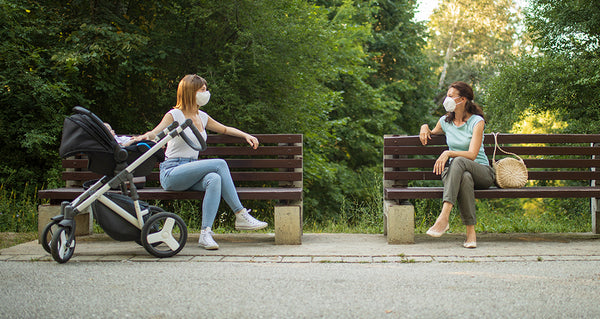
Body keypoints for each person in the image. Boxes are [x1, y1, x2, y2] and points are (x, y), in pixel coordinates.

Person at [131, 74, 267, 250]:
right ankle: (240, 213)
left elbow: (224, 129)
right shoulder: (175, 114)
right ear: (190, 92)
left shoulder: (202, 116)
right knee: (219, 164)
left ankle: (205, 234)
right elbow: (155, 133)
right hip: (172, 172)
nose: (206, 93)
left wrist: (245, 135)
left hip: (191, 172)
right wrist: (142, 137)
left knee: (214, 179)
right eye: (202, 90)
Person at [418, 81, 495, 249]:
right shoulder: (445, 122)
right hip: (457, 174)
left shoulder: (477, 122)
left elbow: (472, 155)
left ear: (463, 99)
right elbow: (431, 131)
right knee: (465, 178)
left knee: (460, 160)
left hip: (481, 171)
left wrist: (448, 153)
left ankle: (444, 216)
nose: (447, 99)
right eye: (447, 95)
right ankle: (470, 234)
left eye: (451, 96)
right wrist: (424, 126)